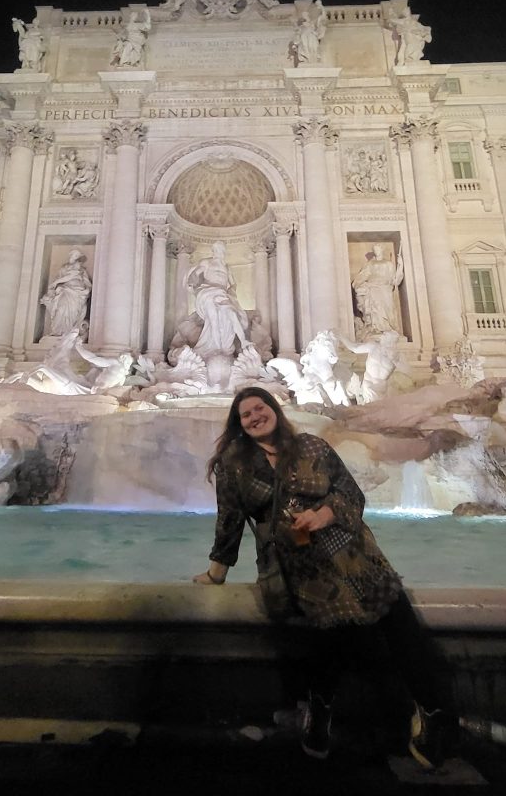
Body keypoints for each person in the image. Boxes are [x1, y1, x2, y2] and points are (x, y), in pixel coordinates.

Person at [194, 386, 453, 768]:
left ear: (274, 410)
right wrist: (218, 571)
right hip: (297, 563)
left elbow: (352, 494)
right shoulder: (235, 465)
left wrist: (323, 515)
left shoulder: (312, 447)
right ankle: (320, 708)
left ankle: (431, 712)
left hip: (354, 554)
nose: (253, 417)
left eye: (259, 408)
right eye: (245, 414)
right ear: (239, 425)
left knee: (400, 624)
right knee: (335, 632)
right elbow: (229, 520)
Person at [351, 244, 404, 338]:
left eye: (378, 249)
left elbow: (395, 280)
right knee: (376, 308)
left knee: (388, 308)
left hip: (385, 288)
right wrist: (357, 284)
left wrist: (401, 265)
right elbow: (363, 275)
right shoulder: (370, 264)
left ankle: (388, 328)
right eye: (375, 250)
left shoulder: (389, 264)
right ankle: (376, 328)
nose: (376, 251)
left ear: (382, 250)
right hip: (373, 288)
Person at [40, 249, 92, 336]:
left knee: (73, 311)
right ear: (71, 256)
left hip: (78, 294)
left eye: (77, 256)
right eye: (74, 255)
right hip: (65, 291)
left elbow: (87, 283)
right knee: (61, 309)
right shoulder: (64, 268)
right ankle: (59, 331)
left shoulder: (81, 270)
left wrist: (87, 289)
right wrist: (57, 286)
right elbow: (59, 279)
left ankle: (70, 331)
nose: (75, 258)